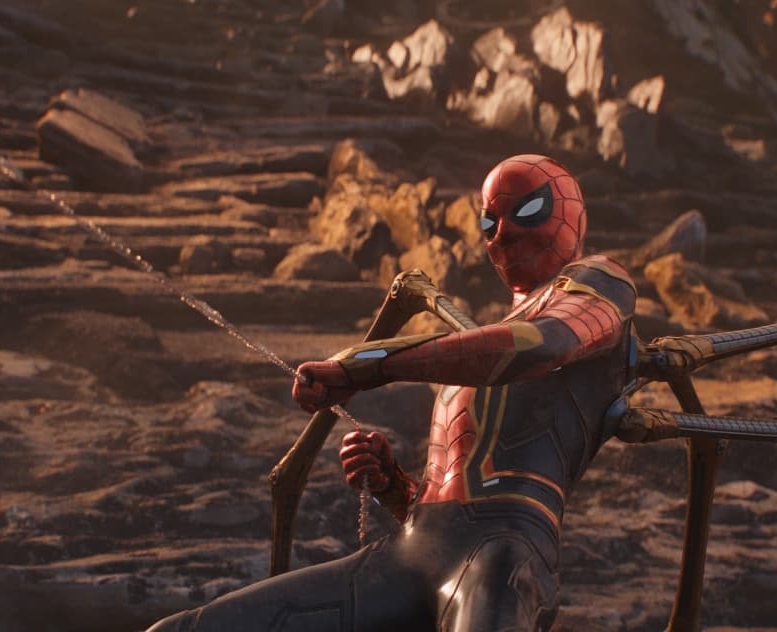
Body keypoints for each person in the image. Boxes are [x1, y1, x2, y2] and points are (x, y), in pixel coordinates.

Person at [147, 154, 637, 632]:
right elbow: (453, 494)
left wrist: (368, 364)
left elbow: (542, 345)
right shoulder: (483, 345)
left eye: (528, 211)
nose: (502, 234)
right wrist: (393, 486)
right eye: (489, 222)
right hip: (414, 549)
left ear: (573, 214)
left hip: (503, 556)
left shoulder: (599, 284)